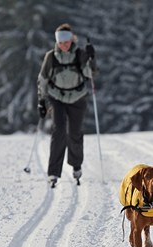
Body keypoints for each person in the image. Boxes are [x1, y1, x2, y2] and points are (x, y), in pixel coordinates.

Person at [37, 23, 96, 186]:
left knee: (75, 133)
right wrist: (41, 101)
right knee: (59, 131)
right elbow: (43, 79)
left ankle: (76, 165)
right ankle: (53, 173)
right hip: (57, 97)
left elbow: (91, 75)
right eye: (61, 42)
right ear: (57, 42)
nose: (64, 45)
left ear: (72, 40)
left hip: (78, 97)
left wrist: (91, 58)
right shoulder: (51, 57)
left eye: (67, 41)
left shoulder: (80, 54)